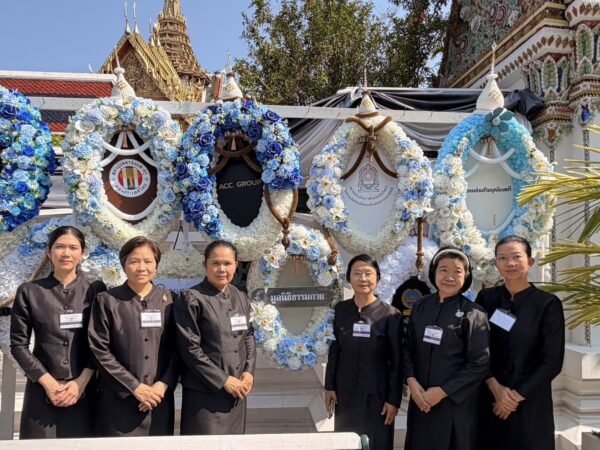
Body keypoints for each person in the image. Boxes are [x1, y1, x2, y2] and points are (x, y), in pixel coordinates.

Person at [10, 226, 106, 438]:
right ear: (49, 251)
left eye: (73, 247)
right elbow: (18, 345)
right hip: (42, 388)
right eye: (60, 247)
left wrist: (81, 382)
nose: (66, 253)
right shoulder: (30, 291)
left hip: (84, 390)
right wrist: (49, 383)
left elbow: (101, 343)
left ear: (82, 253)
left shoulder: (95, 290)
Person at [476, 236, 565, 450]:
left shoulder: (547, 304)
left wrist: (513, 398)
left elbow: (552, 361)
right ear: (495, 263)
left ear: (530, 261)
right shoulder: (486, 298)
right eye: (502, 258)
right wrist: (495, 388)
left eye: (516, 257)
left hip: (530, 402)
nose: (510, 263)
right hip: (490, 400)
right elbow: (476, 348)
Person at [88, 236, 177, 436]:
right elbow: (99, 349)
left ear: (156, 265)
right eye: (134, 261)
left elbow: (177, 349)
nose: (141, 267)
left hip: (158, 400)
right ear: (123, 264)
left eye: (148, 261)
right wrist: (134, 387)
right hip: (117, 401)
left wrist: (162, 385)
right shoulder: (107, 300)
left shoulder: (170, 300)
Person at [403, 247, 490, 450]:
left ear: (466, 276)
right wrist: (412, 382)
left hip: (454, 404)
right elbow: (407, 348)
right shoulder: (421, 306)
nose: (449, 277)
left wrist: (442, 392)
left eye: (457, 271)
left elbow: (479, 363)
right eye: (443, 270)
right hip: (420, 400)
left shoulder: (474, 313)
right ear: (434, 272)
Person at [174, 240, 256, 435]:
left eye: (227, 263)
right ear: (205, 265)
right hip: (204, 394)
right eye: (216, 263)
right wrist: (223, 380)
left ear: (236, 265)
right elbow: (189, 348)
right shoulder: (191, 298)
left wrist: (249, 371)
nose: (222, 269)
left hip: (237, 391)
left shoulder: (241, 296)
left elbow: (248, 335)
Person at [325, 254, 403, 450]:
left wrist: (393, 400)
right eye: (357, 273)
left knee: (376, 444)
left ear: (377, 277)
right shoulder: (341, 310)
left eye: (368, 274)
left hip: (377, 397)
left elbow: (397, 361)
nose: (363, 279)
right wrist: (329, 386)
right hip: (345, 394)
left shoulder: (390, 315)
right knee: (346, 443)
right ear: (349, 278)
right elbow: (335, 350)